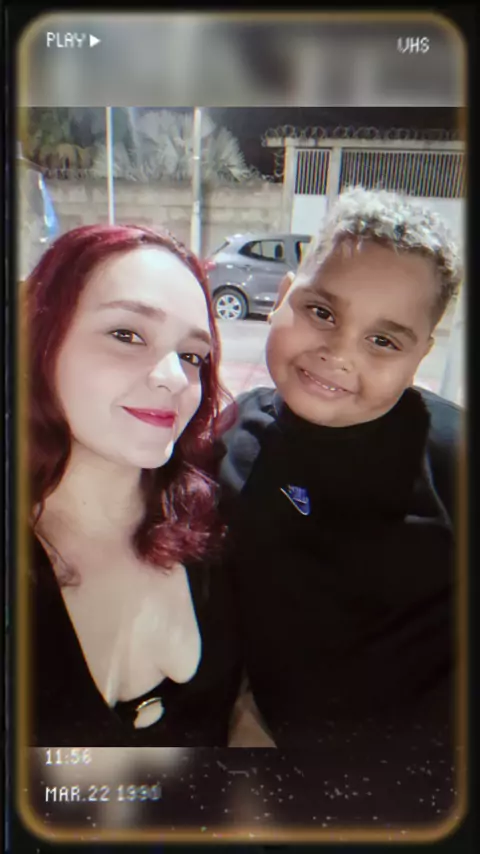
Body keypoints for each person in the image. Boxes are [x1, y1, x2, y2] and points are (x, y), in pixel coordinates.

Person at [218, 187, 464, 756]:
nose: (339, 353)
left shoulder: (453, 458)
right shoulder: (229, 436)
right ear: (283, 296)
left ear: (420, 356)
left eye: (382, 340)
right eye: (321, 312)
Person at [24, 224, 241, 747]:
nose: (174, 377)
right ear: (40, 340)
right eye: (127, 335)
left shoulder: (217, 520)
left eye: (192, 355)